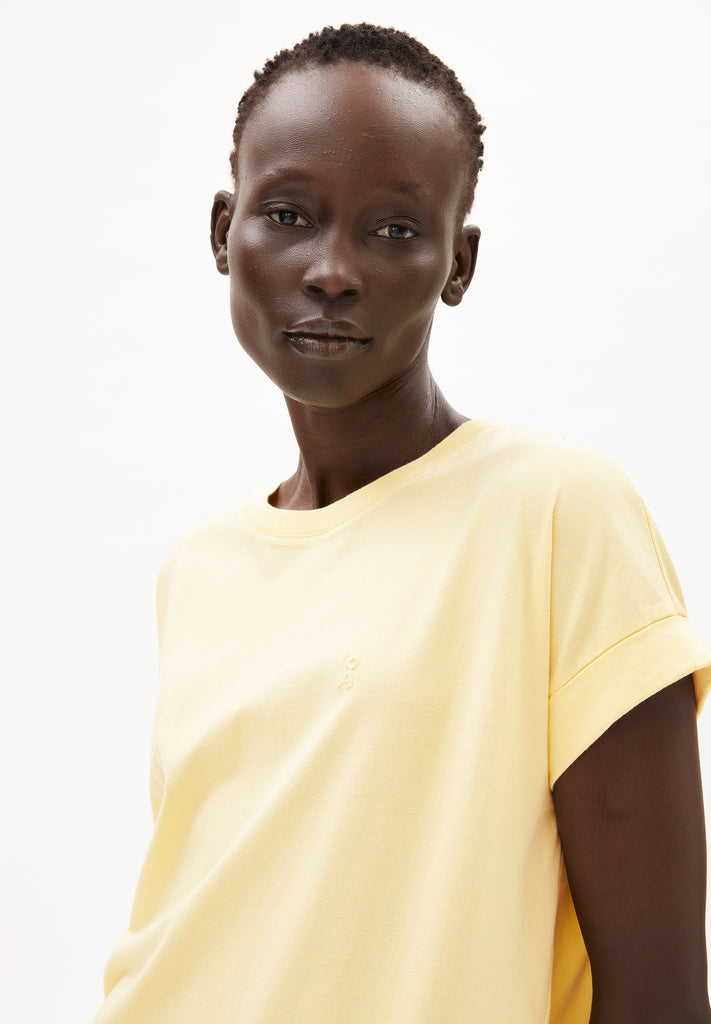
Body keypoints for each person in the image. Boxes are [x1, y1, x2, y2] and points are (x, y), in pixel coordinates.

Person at [92, 23, 711, 1024]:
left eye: (392, 229)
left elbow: (662, 997)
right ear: (223, 232)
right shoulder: (198, 571)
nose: (332, 270)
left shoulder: (558, 516)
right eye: (287, 214)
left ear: (457, 263)